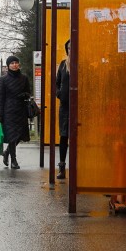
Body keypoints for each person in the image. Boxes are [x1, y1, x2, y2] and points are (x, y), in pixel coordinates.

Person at [0, 55, 31, 169]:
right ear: (8, 66)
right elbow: (1, 97)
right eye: (12, 63)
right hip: (9, 111)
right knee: (12, 136)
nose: (14, 65)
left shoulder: (24, 78)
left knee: (20, 135)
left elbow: (28, 92)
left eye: (16, 62)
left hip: (21, 109)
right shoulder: (4, 79)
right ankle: (14, 161)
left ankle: (6, 152)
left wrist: (25, 94)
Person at [56, 39, 71, 179]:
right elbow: (56, 84)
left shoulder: (82, 64)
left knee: (77, 137)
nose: (71, 50)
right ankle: (62, 167)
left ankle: (79, 168)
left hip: (79, 107)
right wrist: (59, 94)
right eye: (69, 48)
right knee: (64, 136)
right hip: (65, 107)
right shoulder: (62, 65)